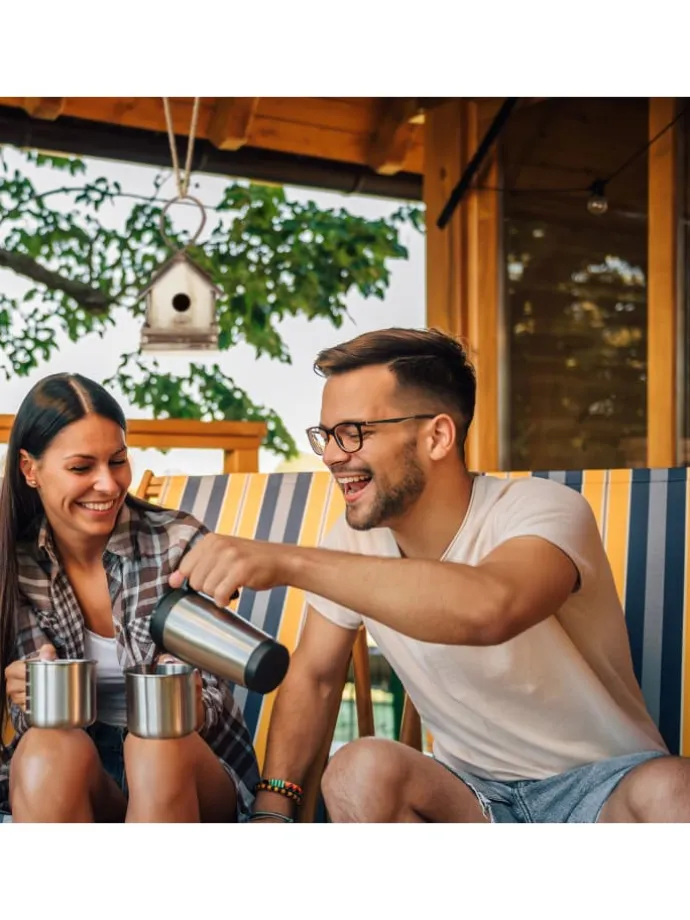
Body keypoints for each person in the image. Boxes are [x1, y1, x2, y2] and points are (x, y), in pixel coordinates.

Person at [170, 326, 690, 824]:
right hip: (474, 802)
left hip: (604, 795)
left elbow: (490, 607)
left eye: (353, 433)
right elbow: (315, 677)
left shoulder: (544, 510)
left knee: (673, 788)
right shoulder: (355, 539)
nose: (331, 456)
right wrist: (272, 807)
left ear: (438, 436)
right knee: (359, 769)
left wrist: (290, 561)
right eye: (326, 435)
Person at [0, 373, 259, 822]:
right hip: (79, 775)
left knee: (156, 741)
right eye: (82, 468)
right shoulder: (16, 562)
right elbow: (31, 723)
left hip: (190, 768)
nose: (108, 485)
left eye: (117, 461)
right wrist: (27, 692)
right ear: (30, 470)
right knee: (46, 747)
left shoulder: (178, 545)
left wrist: (189, 698)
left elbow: (214, 701)